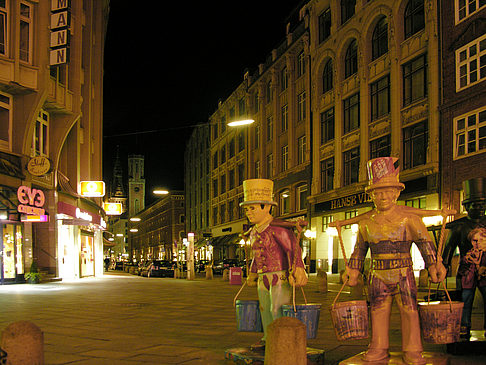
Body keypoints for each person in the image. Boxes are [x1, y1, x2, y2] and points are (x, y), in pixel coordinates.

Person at [343, 157, 446, 365]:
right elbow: (359, 250)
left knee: (409, 311)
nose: (383, 196)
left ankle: (413, 349)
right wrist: (353, 270)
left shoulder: (409, 219)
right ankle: (378, 347)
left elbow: (425, 244)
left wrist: (434, 264)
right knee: (378, 311)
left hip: (403, 272)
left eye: (387, 192)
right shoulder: (366, 223)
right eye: (378, 192)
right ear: (371, 195)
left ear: (396, 193)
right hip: (377, 274)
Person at [241, 179, 308, 351]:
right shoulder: (254, 232)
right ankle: (267, 337)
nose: (249, 212)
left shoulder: (278, 229)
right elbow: (255, 255)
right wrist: (253, 272)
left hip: (279, 275)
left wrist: (298, 268)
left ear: (267, 207)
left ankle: (281, 339)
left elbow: (293, 248)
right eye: (247, 209)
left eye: (253, 208)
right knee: (264, 308)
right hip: (263, 277)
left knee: (277, 307)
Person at [442, 177, 486, 338]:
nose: (480, 208)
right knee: (465, 301)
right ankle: (464, 327)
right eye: (476, 205)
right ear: (467, 206)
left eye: (483, 205)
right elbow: (449, 248)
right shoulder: (459, 227)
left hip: (485, 271)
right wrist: (443, 265)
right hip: (466, 272)